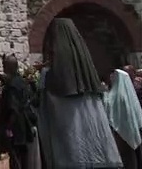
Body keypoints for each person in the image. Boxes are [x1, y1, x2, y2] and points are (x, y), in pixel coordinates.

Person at [36, 18, 122, 168]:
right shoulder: (86, 69)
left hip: (68, 150)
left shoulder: (51, 75)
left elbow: (45, 107)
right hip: (96, 151)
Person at [104, 68, 142, 169]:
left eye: (114, 75)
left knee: (126, 157)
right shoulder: (127, 95)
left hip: (119, 132)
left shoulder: (116, 95)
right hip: (129, 129)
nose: (111, 77)